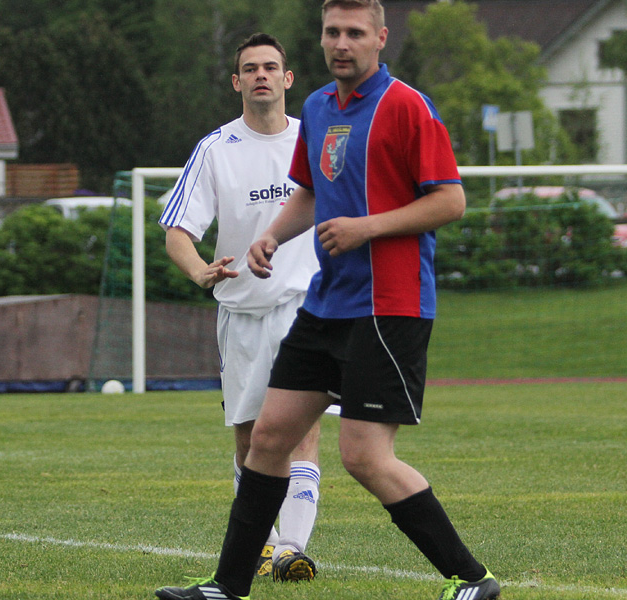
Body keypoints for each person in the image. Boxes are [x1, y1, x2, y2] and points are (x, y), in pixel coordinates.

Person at [154, 2, 501, 600]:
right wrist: (271, 236)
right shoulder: (316, 107)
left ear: (380, 39)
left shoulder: (406, 106)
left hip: (389, 306)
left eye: (355, 33)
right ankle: (227, 586)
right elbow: (311, 192)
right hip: (327, 303)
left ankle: (473, 579)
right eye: (332, 32)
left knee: (363, 457)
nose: (342, 43)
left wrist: (367, 227)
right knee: (268, 437)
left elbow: (450, 202)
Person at [158, 33, 323, 582]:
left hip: (306, 307)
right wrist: (199, 270)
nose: (261, 76)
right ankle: (264, 542)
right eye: (250, 68)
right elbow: (178, 230)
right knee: (249, 436)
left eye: (270, 67)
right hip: (242, 314)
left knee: (302, 430)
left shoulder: (314, 140)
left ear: (287, 78)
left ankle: (291, 549)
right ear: (236, 82)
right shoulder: (215, 150)